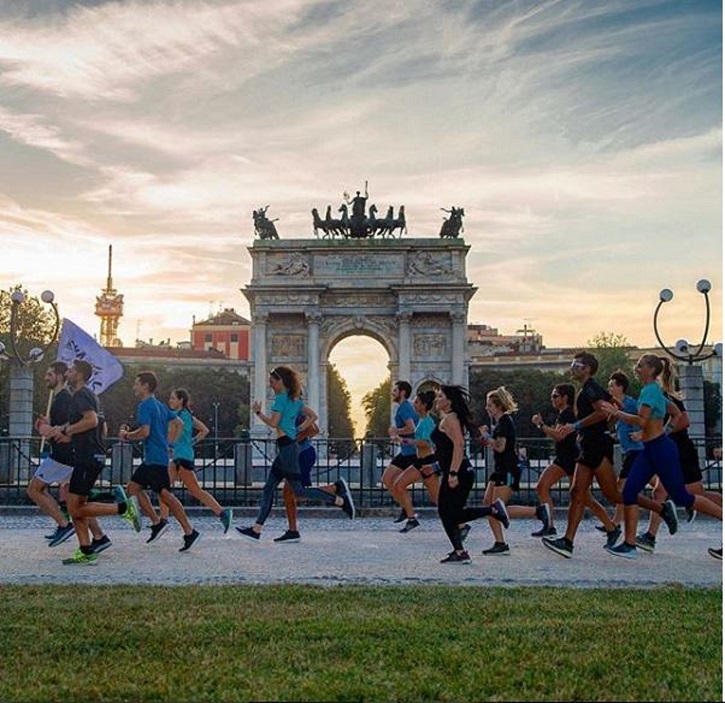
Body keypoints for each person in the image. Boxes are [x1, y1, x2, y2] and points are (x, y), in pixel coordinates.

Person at [542, 351, 677, 559]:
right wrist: (606, 424)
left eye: (575, 364)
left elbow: (604, 411)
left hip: (596, 446)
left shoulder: (591, 388)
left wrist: (577, 426)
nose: (572, 367)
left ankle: (661, 508)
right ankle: (567, 542)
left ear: (586, 368)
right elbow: (616, 406)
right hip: (589, 444)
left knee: (613, 494)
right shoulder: (590, 388)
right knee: (577, 492)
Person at [599, 354, 723, 559]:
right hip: (651, 449)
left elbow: (641, 420)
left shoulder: (650, 391)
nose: (636, 369)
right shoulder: (654, 390)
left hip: (660, 450)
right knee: (629, 491)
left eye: (639, 366)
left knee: (683, 496)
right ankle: (630, 545)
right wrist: (655, 433)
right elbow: (674, 413)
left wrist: (617, 412)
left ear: (650, 370)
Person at [40, 360, 142, 565]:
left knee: (76, 507)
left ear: (78, 374)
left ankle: (123, 508)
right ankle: (86, 550)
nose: (67, 373)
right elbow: (94, 428)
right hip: (87, 455)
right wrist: (60, 433)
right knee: (75, 505)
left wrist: (66, 430)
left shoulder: (80, 395)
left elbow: (92, 420)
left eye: (71, 371)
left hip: (88, 457)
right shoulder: (86, 395)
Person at [237, 366, 354, 542]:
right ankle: (256, 529)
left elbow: (274, 423)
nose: (270, 384)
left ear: (280, 381)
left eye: (272, 381)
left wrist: (258, 412)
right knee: (269, 487)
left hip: (287, 449)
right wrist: (298, 428)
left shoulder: (280, 399)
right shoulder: (295, 400)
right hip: (288, 447)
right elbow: (313, 417)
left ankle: (341, 501)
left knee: (298, 490)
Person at [634, 357, 722, 553]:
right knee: (663, 490)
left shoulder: (665, 396)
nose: (637, 370)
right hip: (668, 451)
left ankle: (650, 536)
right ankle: (650, 536)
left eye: (641, 366)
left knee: (694, 494)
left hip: (680, 450)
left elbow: (684, 420)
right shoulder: (653, 394)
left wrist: (663, 434)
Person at [422, 385, 509, 564]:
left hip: (459, 472)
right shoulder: (449, 418)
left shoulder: (451, 419)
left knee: (449, 513)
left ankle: (492, 510)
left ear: (449, 401)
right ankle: (460, 551)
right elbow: (447, 450)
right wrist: (437, 467)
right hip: (457, 470)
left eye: (440, 396)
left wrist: (453, 473)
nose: (437, 399)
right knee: (450, 513)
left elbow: (459, 446)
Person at [119, 371, 201, 553]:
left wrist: (127, 435)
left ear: (145, 386)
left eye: (136, 383)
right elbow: (179, 423)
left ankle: (185, 530)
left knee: (165, 495)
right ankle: (161, 524)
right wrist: (169, 442)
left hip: (155, 458)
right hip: (156, 458)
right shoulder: (160, 406)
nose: (134, 387)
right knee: (134, 487)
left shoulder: (145, 406)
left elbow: (145, 432)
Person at [531, 384, 613, 537]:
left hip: (568, 459)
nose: (552, 399)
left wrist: (540, 425)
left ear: (565, 398)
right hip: (566, 458)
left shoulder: (567, 414)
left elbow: (559, 435)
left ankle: (549, 525)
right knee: (585, 497)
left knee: (543, 487)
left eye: (555, 396)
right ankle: (610, 527)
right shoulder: (564, 414)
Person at [479, 387, 548, 555]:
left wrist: (487, 437)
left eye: (490, 405)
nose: (487, 408)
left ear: (499, 406)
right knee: (487, 505)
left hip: (508, 470)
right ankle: (499, 543)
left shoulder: (504, 422)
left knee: (496, 508)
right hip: (500, 470)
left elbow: (501, 447)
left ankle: (538, 512)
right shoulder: (501, 422)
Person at [158, 388, 233, 534]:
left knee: (177, 490)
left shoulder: (175, 416)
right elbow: (204, 430)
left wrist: (165, 445)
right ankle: (163, 521)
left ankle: (164, 521)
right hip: (184, 455)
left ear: (181, 400)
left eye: (173, 398)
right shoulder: (188, 415)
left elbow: (171, 436)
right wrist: (191, 442)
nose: (170, 401)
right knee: (170, 489)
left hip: (179, 457)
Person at [391, 390, 442, 533]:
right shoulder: (422, 420)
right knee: (398, 485)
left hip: (427, 462)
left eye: (417, 402)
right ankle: (411, 518)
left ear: (424, 405)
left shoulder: (428, 422)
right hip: (420, 462)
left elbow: (426, 443)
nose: (414, 403)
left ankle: (460, 524)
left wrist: (403, 440)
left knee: (438, 499)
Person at [600, 371, 644, 530]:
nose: (609, 388)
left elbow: (645, 420)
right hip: (629, 450)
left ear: (621, 387)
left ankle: (615, 522)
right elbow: (616, 425)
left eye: (612, 385)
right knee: (656, 483)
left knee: (620, 485)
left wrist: (641, 433)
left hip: (637, 450)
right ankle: (668, 502)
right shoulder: (616, 405)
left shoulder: (631, 403)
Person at [382, 380, 419, 525]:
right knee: (387, 479)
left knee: (395, 482)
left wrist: (396, 431)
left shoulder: (404, 408)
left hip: (411, 452)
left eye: (395, 390)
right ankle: (406, 509)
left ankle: (409, 514)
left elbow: (411, 428)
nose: (392, 393)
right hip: (406, 452)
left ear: (402, 393)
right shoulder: (405, 407)